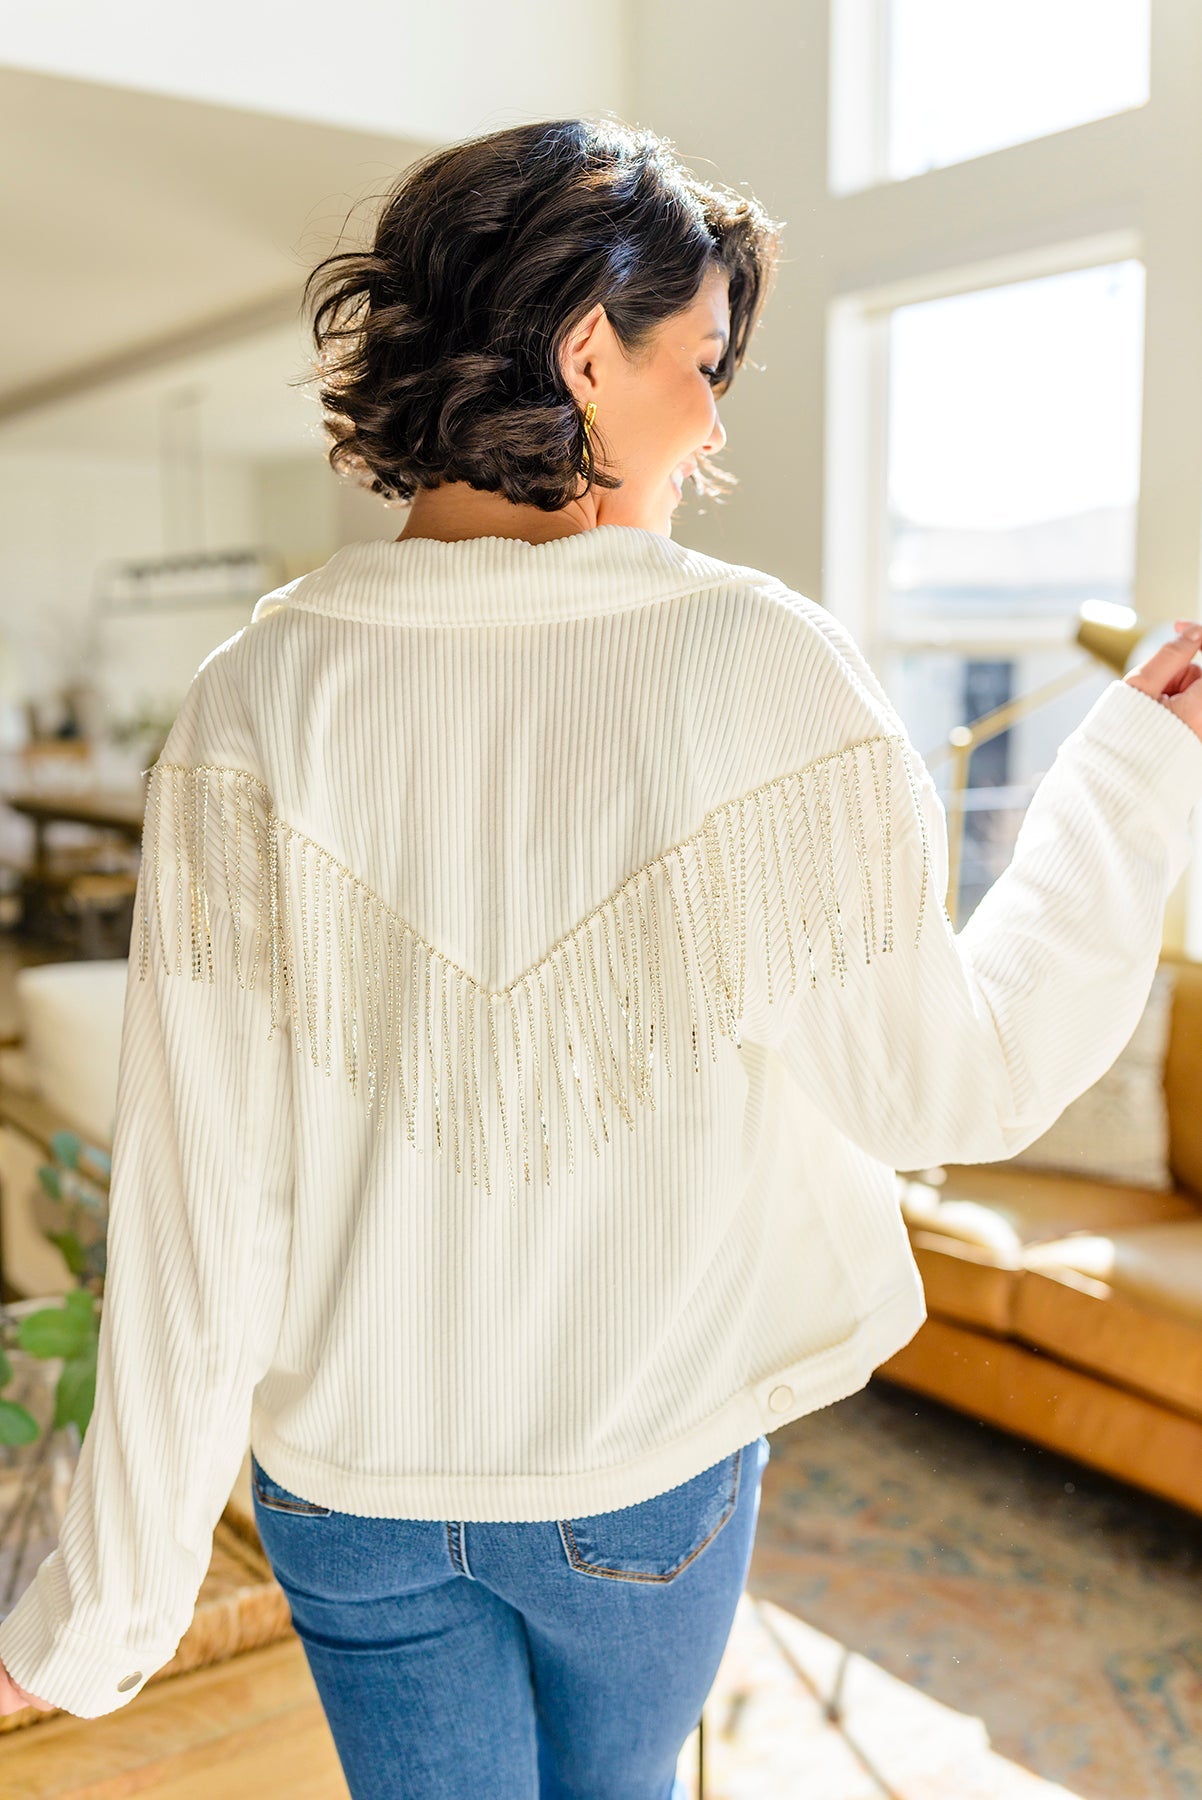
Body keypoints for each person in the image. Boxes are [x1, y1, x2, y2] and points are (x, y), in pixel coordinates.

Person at [1, 115, 1201, 1800]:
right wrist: (1130, 780)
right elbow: (954, 1086)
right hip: (640, 1476)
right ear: (587, 354)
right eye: (699, 364)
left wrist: (98, 1615)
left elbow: (196, 1204)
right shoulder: (761, 663)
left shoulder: (251, 700)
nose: (712, 420)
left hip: (349, 1492)